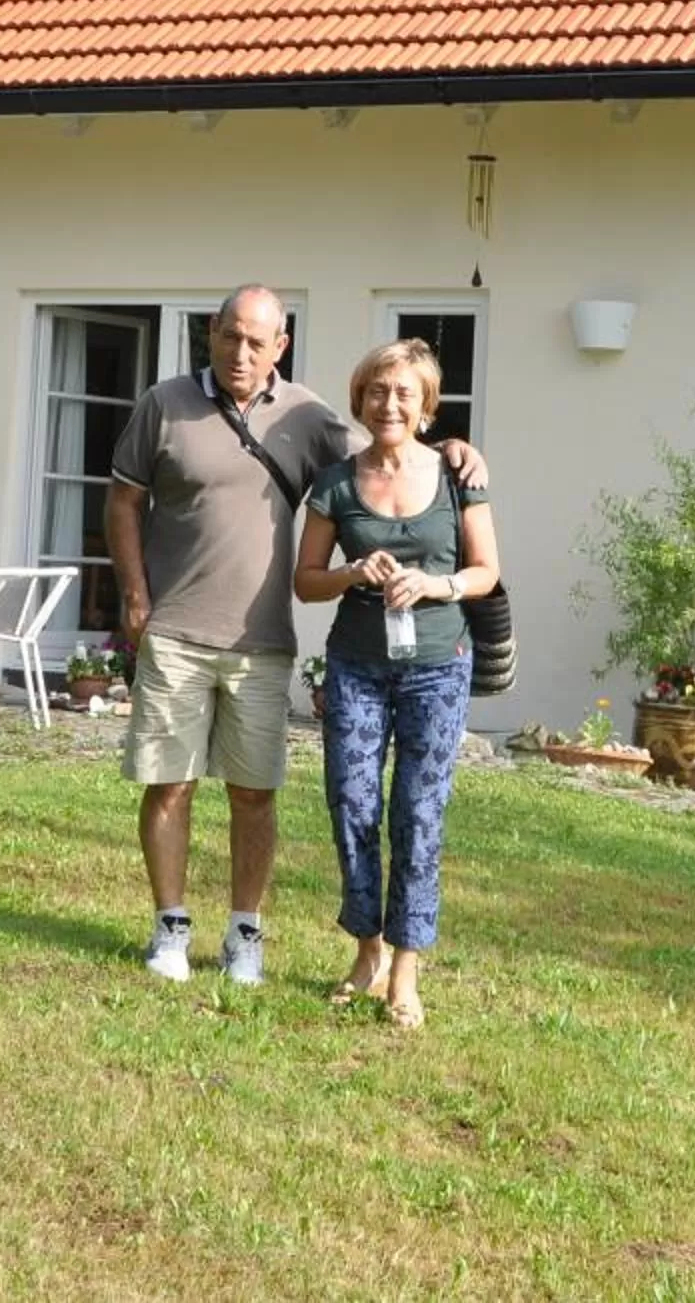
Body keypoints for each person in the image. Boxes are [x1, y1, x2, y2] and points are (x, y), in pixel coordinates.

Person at [104, 288, 482, 986]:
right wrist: (133, 593)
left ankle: (245, 932)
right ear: (211, 333)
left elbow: (385, 451)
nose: (241, 353)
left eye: (258, 342)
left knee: (254, 793)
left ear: (281, 346)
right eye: (230, 337)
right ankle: (170, 927)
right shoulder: (164, 404)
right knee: (169, 785)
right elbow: (123, 498)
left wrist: (454, 447)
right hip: (176, 630)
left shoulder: (308, 417)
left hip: (263, 640)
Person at [293, 337, 499, 1030]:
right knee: (352, 805)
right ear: (361, 400)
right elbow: (306, 580)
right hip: (356, 665)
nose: (390, 403)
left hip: (438, 668)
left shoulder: (457, 474)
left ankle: (406, 972)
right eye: (379, 391)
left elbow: (485, 571)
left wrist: (437, 584)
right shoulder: (336, 483)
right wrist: (354, 573)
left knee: (418, 815)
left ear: (426, 406)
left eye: (405, 393)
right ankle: (367, 950)